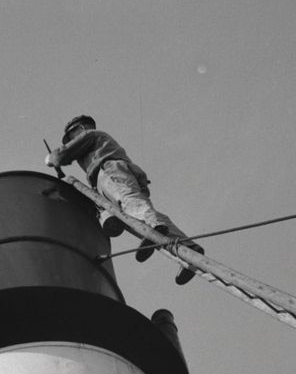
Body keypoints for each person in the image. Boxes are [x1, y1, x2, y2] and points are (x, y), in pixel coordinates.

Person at [45, 115, 203, 284]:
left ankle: (156, 226)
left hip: (109, 170)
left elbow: (64, 154)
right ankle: (186, 250)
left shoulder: (91, 135)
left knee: (132, 204)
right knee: (135, 219)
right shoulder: (92, 145)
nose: (72, 140)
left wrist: (53, 158)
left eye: (72, 136)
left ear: (81, 129)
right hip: (107, 178)